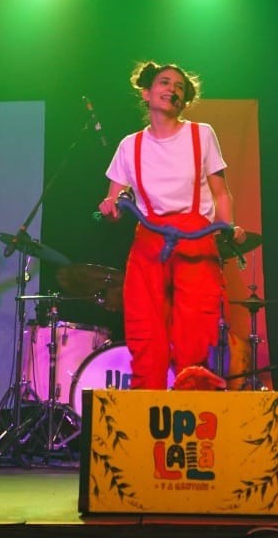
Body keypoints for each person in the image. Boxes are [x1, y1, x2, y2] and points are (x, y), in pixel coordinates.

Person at [97, 62, 246, 392]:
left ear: (184, 99)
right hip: (149, 239)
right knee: (144, 326)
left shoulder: (201, 134)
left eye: (179, 86)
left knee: (195, 328)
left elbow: (221, 193)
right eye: (164, 82)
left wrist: (226, 228)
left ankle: (192, 399)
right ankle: (146, 400)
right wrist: (110, 207)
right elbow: (114, 201)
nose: (172, 89)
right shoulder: (130, 145)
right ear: (147, 93)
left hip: (194, 237)